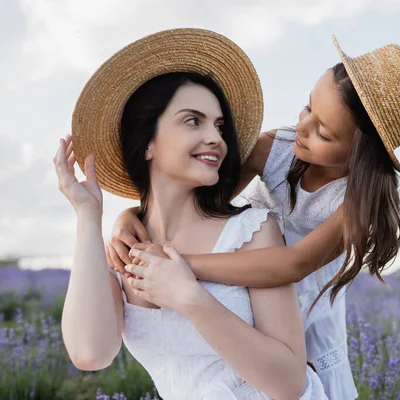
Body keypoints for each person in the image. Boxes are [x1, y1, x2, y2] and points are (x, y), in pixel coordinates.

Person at [109, 35, 400, 399]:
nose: (302, 128)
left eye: (323, 133)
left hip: (305, 301)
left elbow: (290, 265)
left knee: (303, 382)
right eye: (307, 108)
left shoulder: (356, 203)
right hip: (245, 282)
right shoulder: (276, 149)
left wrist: (182, 264)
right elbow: (200, 200)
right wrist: (132, 213)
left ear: (360, 156)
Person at [55, 28, 327, 399]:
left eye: (218, 125)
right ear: (147, 141)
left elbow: (290, 384)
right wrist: (89, 215)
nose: (216, 138)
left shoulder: (251, 230)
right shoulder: (123, 247)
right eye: (192, 120)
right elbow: (90, 354)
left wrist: (189, 298)